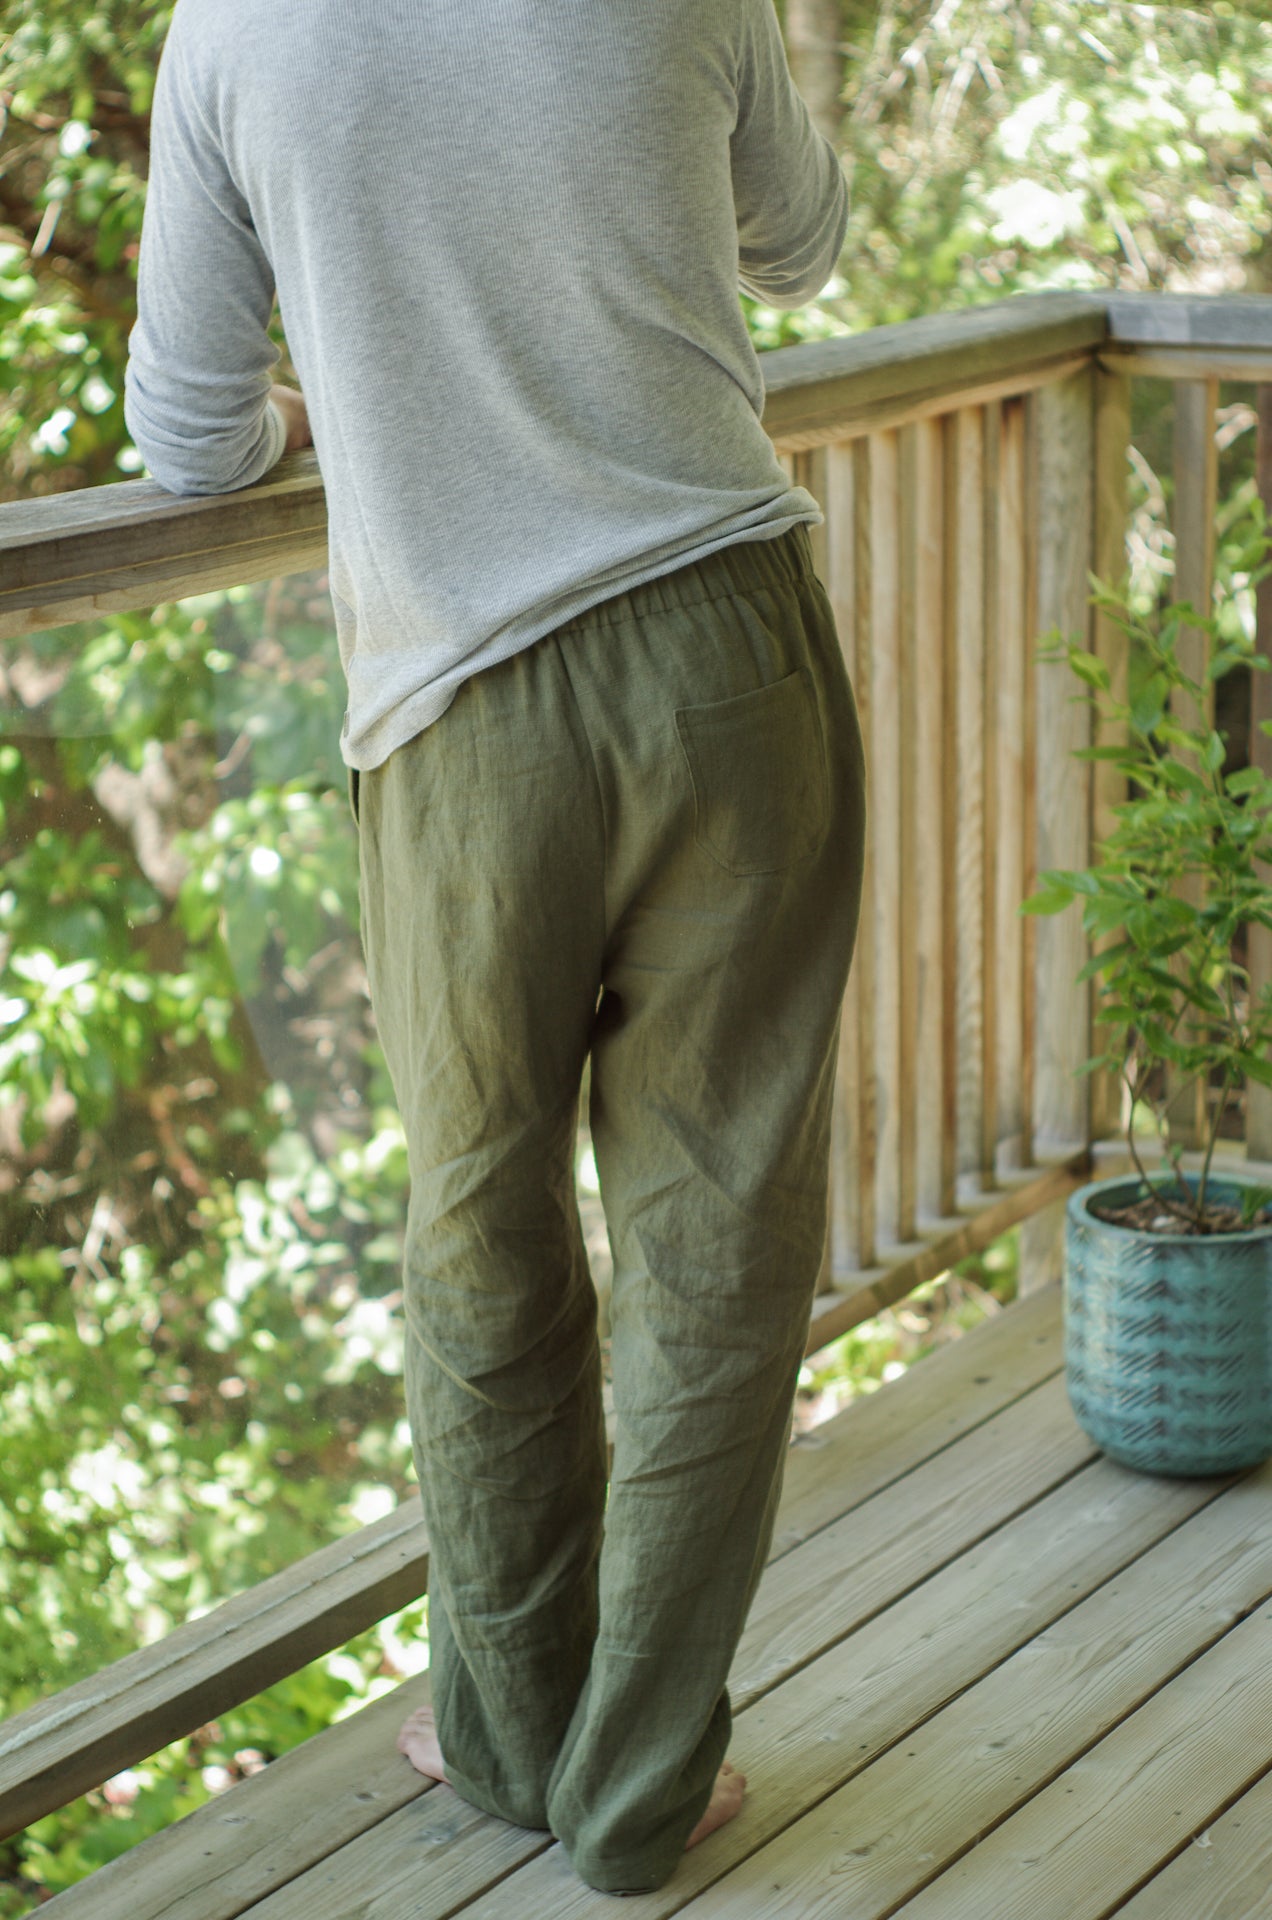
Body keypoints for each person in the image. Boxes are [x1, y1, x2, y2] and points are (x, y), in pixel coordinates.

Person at [124, 0, 867, 1895]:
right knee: (719, 1242)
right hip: (728, 652)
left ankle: (511, 1741)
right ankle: (638, 1795)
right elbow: (803, 243)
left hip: (461, 715)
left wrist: (335, 409)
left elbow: (190, 442)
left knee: (481, 1235)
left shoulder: (232, 30)